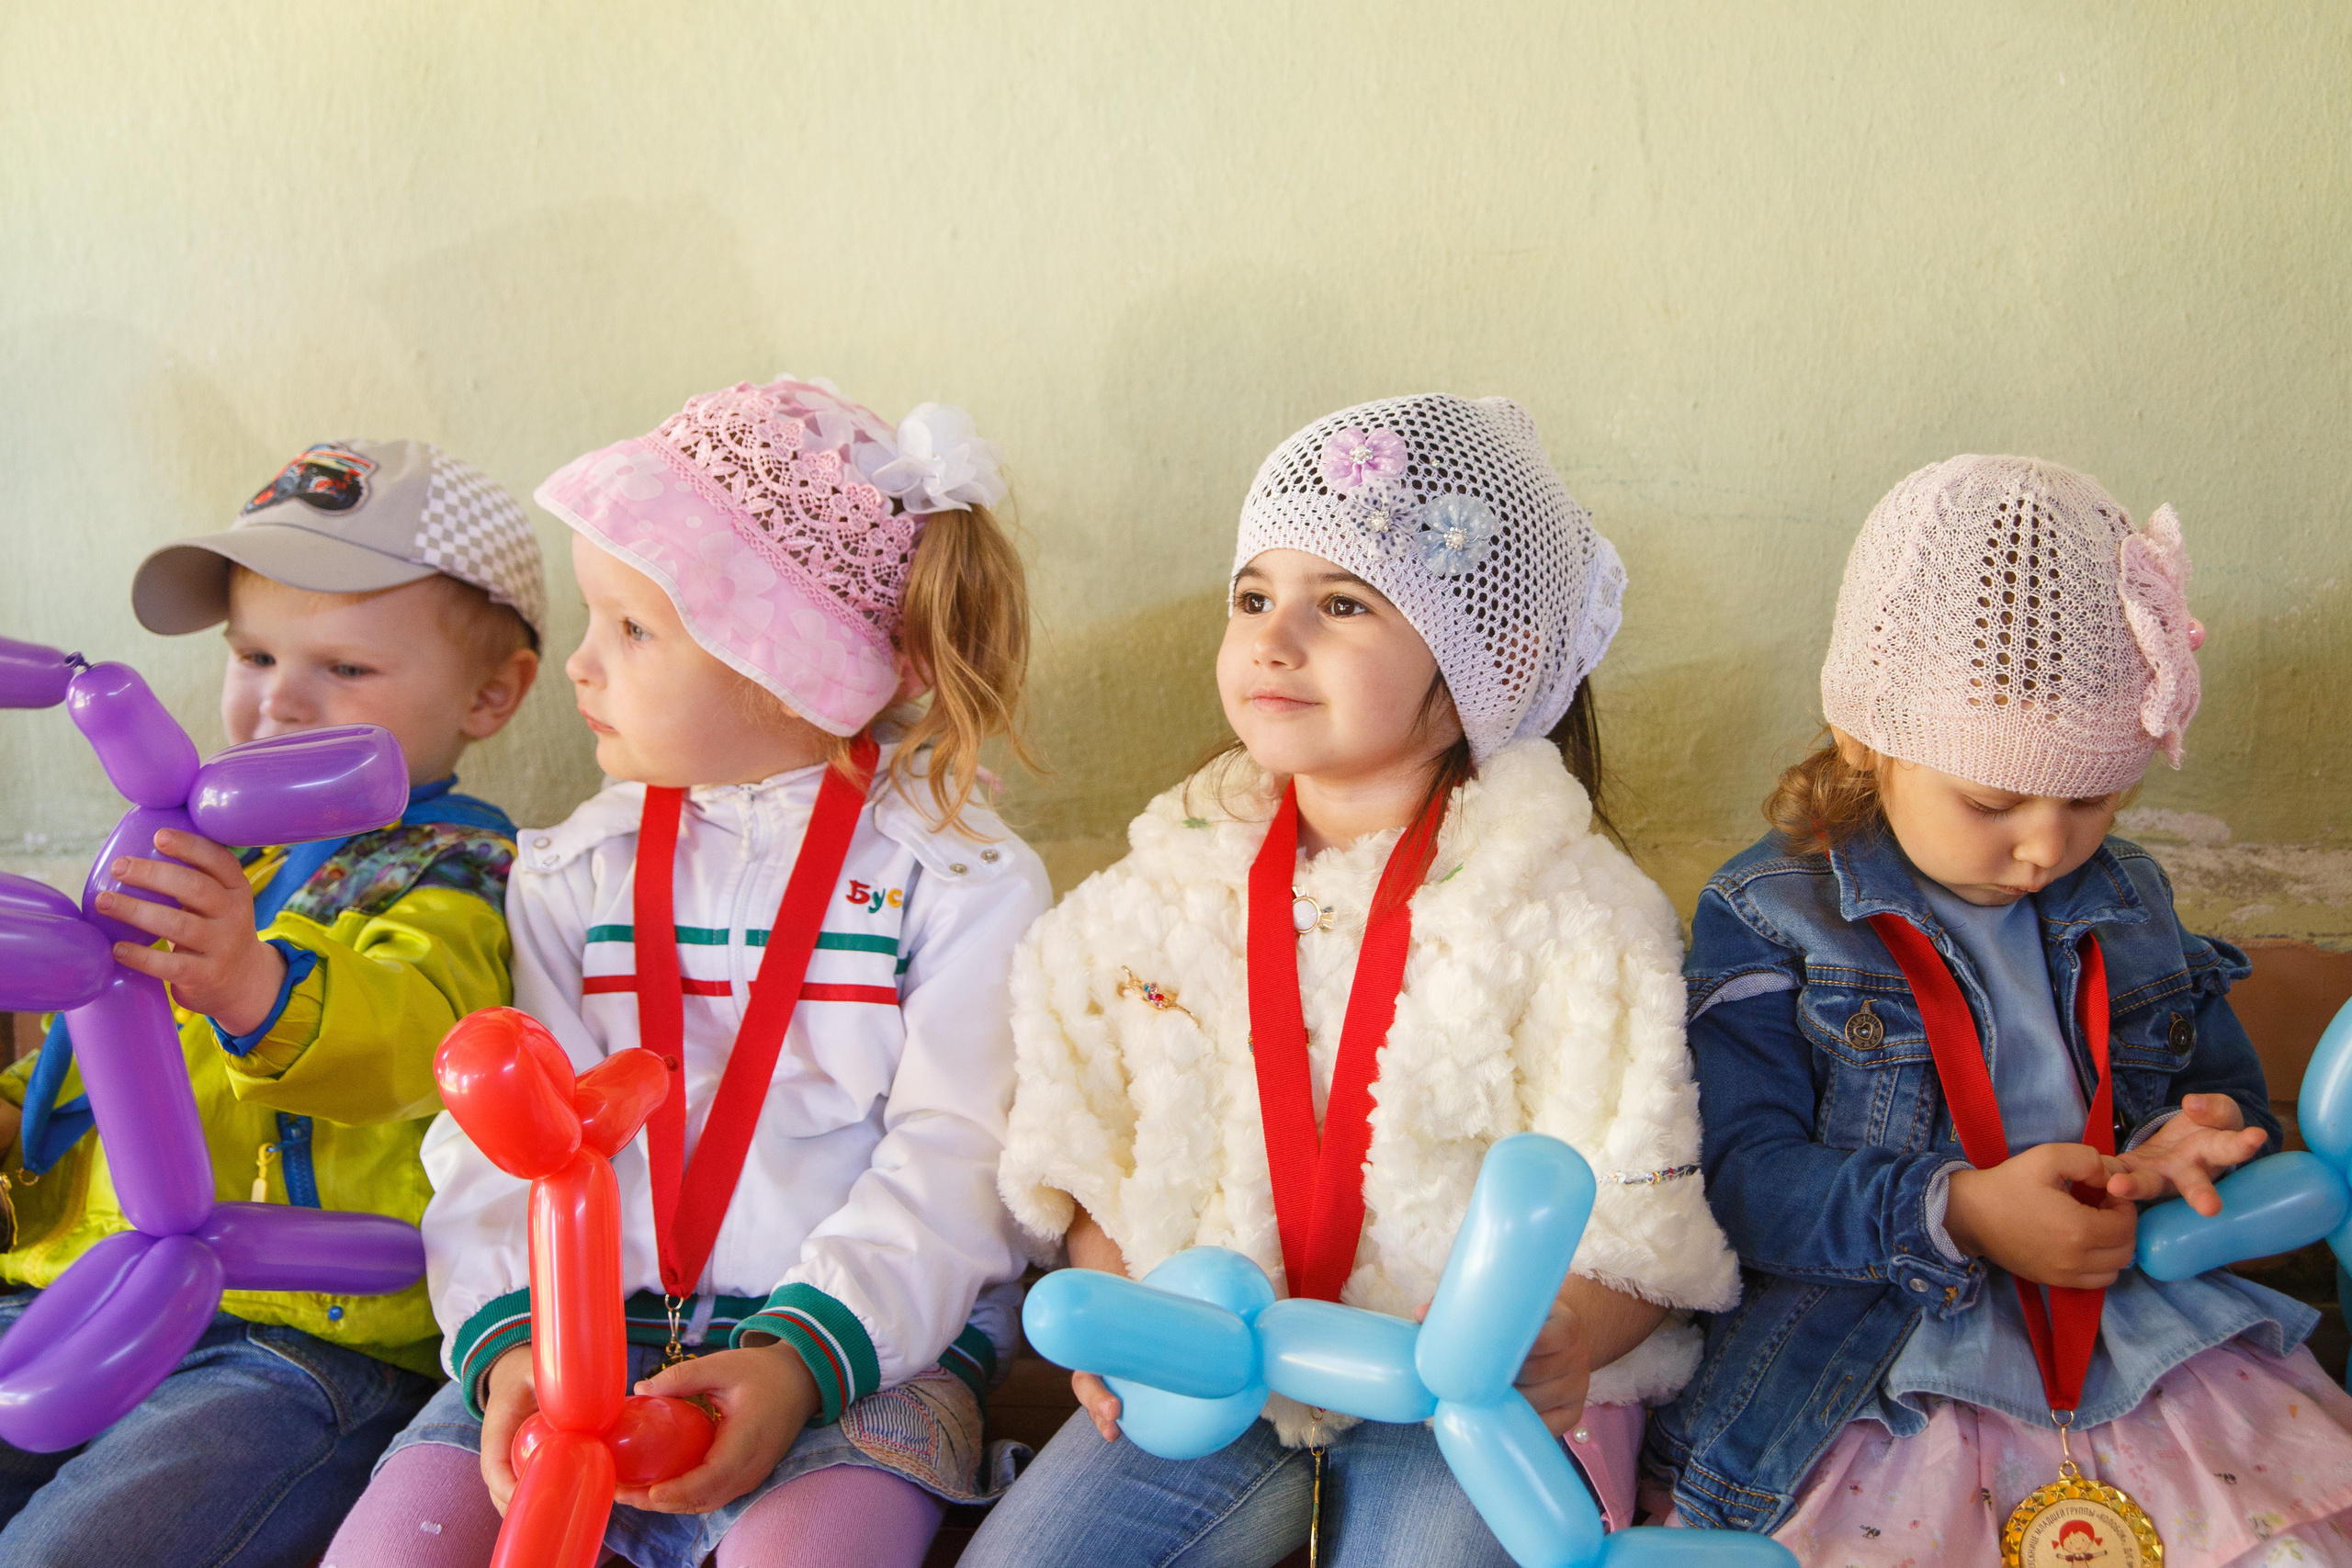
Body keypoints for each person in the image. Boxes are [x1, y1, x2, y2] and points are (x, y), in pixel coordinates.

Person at [965, 395, 1740, 1568]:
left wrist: (1567, 1335)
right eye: (1253, 598)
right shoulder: (1144, 900)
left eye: (1340, 606)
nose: (1275, 639)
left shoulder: (1576, 916)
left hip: (1455, 1396)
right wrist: (1126, 1312)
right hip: (1214, 1376)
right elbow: (1083, 1156)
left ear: (1478, 662)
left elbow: (1641, 1217)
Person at [325, 378, 1050, 1568]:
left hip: (856, 1360)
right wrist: (512, 1344)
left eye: (631, 629)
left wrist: (799, 1356)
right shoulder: (572, 872)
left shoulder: (961, 877)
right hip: (564, 1339)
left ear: (786, 663)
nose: (579, 666)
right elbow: (506, 1139)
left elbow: (962, 1157)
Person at [1649, 455, 2352, 1562]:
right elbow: (1735, 1185)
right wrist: (1962, 1211)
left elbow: (2213, 1092)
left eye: (2090, 799)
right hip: (1875, 1362)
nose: (2043, 847)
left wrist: (2194, 1140)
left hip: (2139, 1334)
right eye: (1990, 800)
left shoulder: (2128, 896)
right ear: (1863, 740)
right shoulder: (1770, 915)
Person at [0, 438, 544, 1567]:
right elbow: (84, 1054)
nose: (280, 701)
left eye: (343, 669)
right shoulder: (189, 845)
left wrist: (255, 984)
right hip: (72, 1296)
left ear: (491, 694)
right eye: (252, 653)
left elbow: (422, 1042)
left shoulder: (459, 871)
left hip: (291, 1342)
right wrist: (13, 1124)